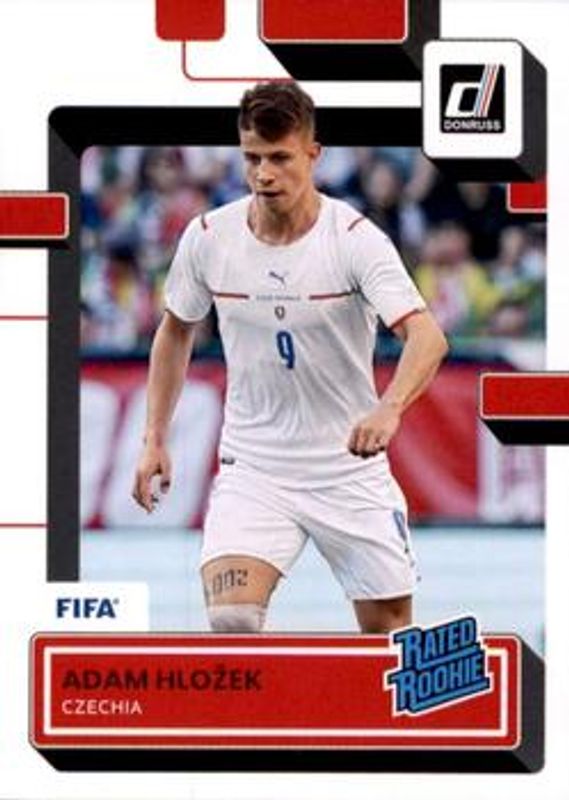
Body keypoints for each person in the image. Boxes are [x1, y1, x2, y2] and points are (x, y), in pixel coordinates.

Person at [132, 82, 448, 634]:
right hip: (255, 465)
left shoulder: (356, 239)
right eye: (252, 158)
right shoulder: (208, 236)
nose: (264, 174)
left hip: (346, 466)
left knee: (390, 640)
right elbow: (176, 331)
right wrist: (155, 437)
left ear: (312, 154)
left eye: (280, 158)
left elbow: (427, 337)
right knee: (232, 618)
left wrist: (389, 407)